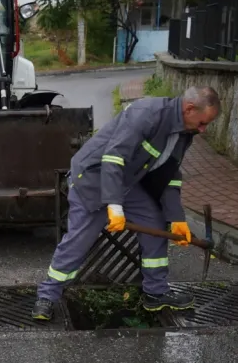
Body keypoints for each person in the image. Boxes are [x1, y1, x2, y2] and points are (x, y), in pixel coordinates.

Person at [31, 86, 221, 321]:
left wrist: (176, 217)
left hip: (127, 182)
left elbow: (169, 174)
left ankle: (156, 292)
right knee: (78, 242)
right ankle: (47, 295)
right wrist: (114, 206)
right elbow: (113, 158)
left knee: (156, 224)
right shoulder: (147, 113)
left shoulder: (185, 133)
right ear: (190, 108)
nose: (203, 130)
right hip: (93, 180)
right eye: (203, 122)